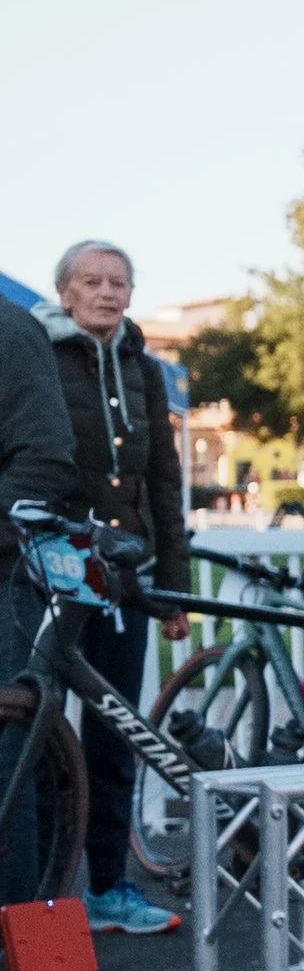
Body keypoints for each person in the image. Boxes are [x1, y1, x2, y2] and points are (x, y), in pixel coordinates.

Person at [42, 245, 190, 932]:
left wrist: (175, 588)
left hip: (124, 571)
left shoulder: (143, 366)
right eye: (91, 281)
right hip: (47, 564)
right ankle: (37, 896)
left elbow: (163, 479)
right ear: (65, 292)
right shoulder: (37, 352)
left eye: (119, 282)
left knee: (113, 731)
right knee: (37, 730)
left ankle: (108, 889)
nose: (107, 292)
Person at [1, 289, 83, 905]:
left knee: (8, 768)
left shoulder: (12, 332)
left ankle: (17, 940)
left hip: (1, 581)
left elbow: (46, 459)